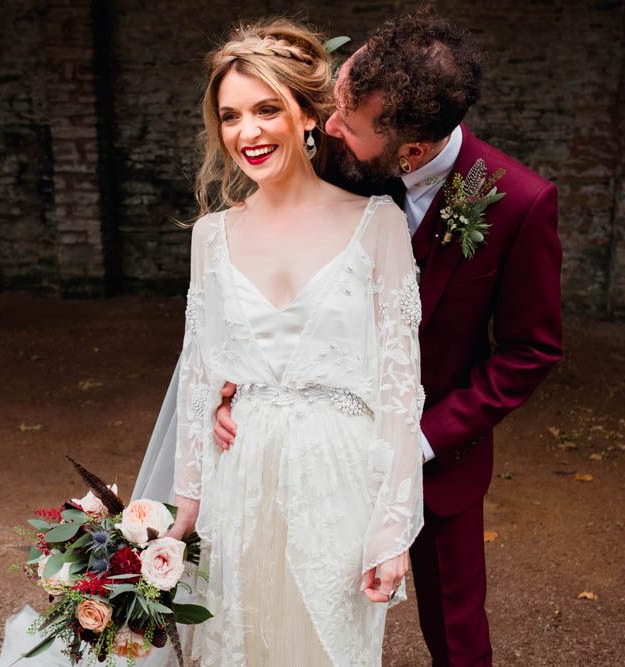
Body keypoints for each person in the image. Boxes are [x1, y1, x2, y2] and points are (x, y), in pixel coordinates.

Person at [213, 8, 563, 666]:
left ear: (412, 151)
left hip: (437, 461)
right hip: (306, 446)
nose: (328, 126)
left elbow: (529, 351)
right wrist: (232, 386)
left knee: (457, 634)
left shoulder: (519, 203)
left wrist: (420, 439)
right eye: (336, 100)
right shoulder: (331, 158)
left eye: (347, 120)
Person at [160, 18, 425, 666]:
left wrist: (391, 531)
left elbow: (399, 389)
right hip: (238, 481)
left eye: (265, 109)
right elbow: (200, 375)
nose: (246, 131)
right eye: (229, 115)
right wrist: (177, 519)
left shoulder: (377, 224)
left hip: (338, 482)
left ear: (306, 115)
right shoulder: (210, 237)